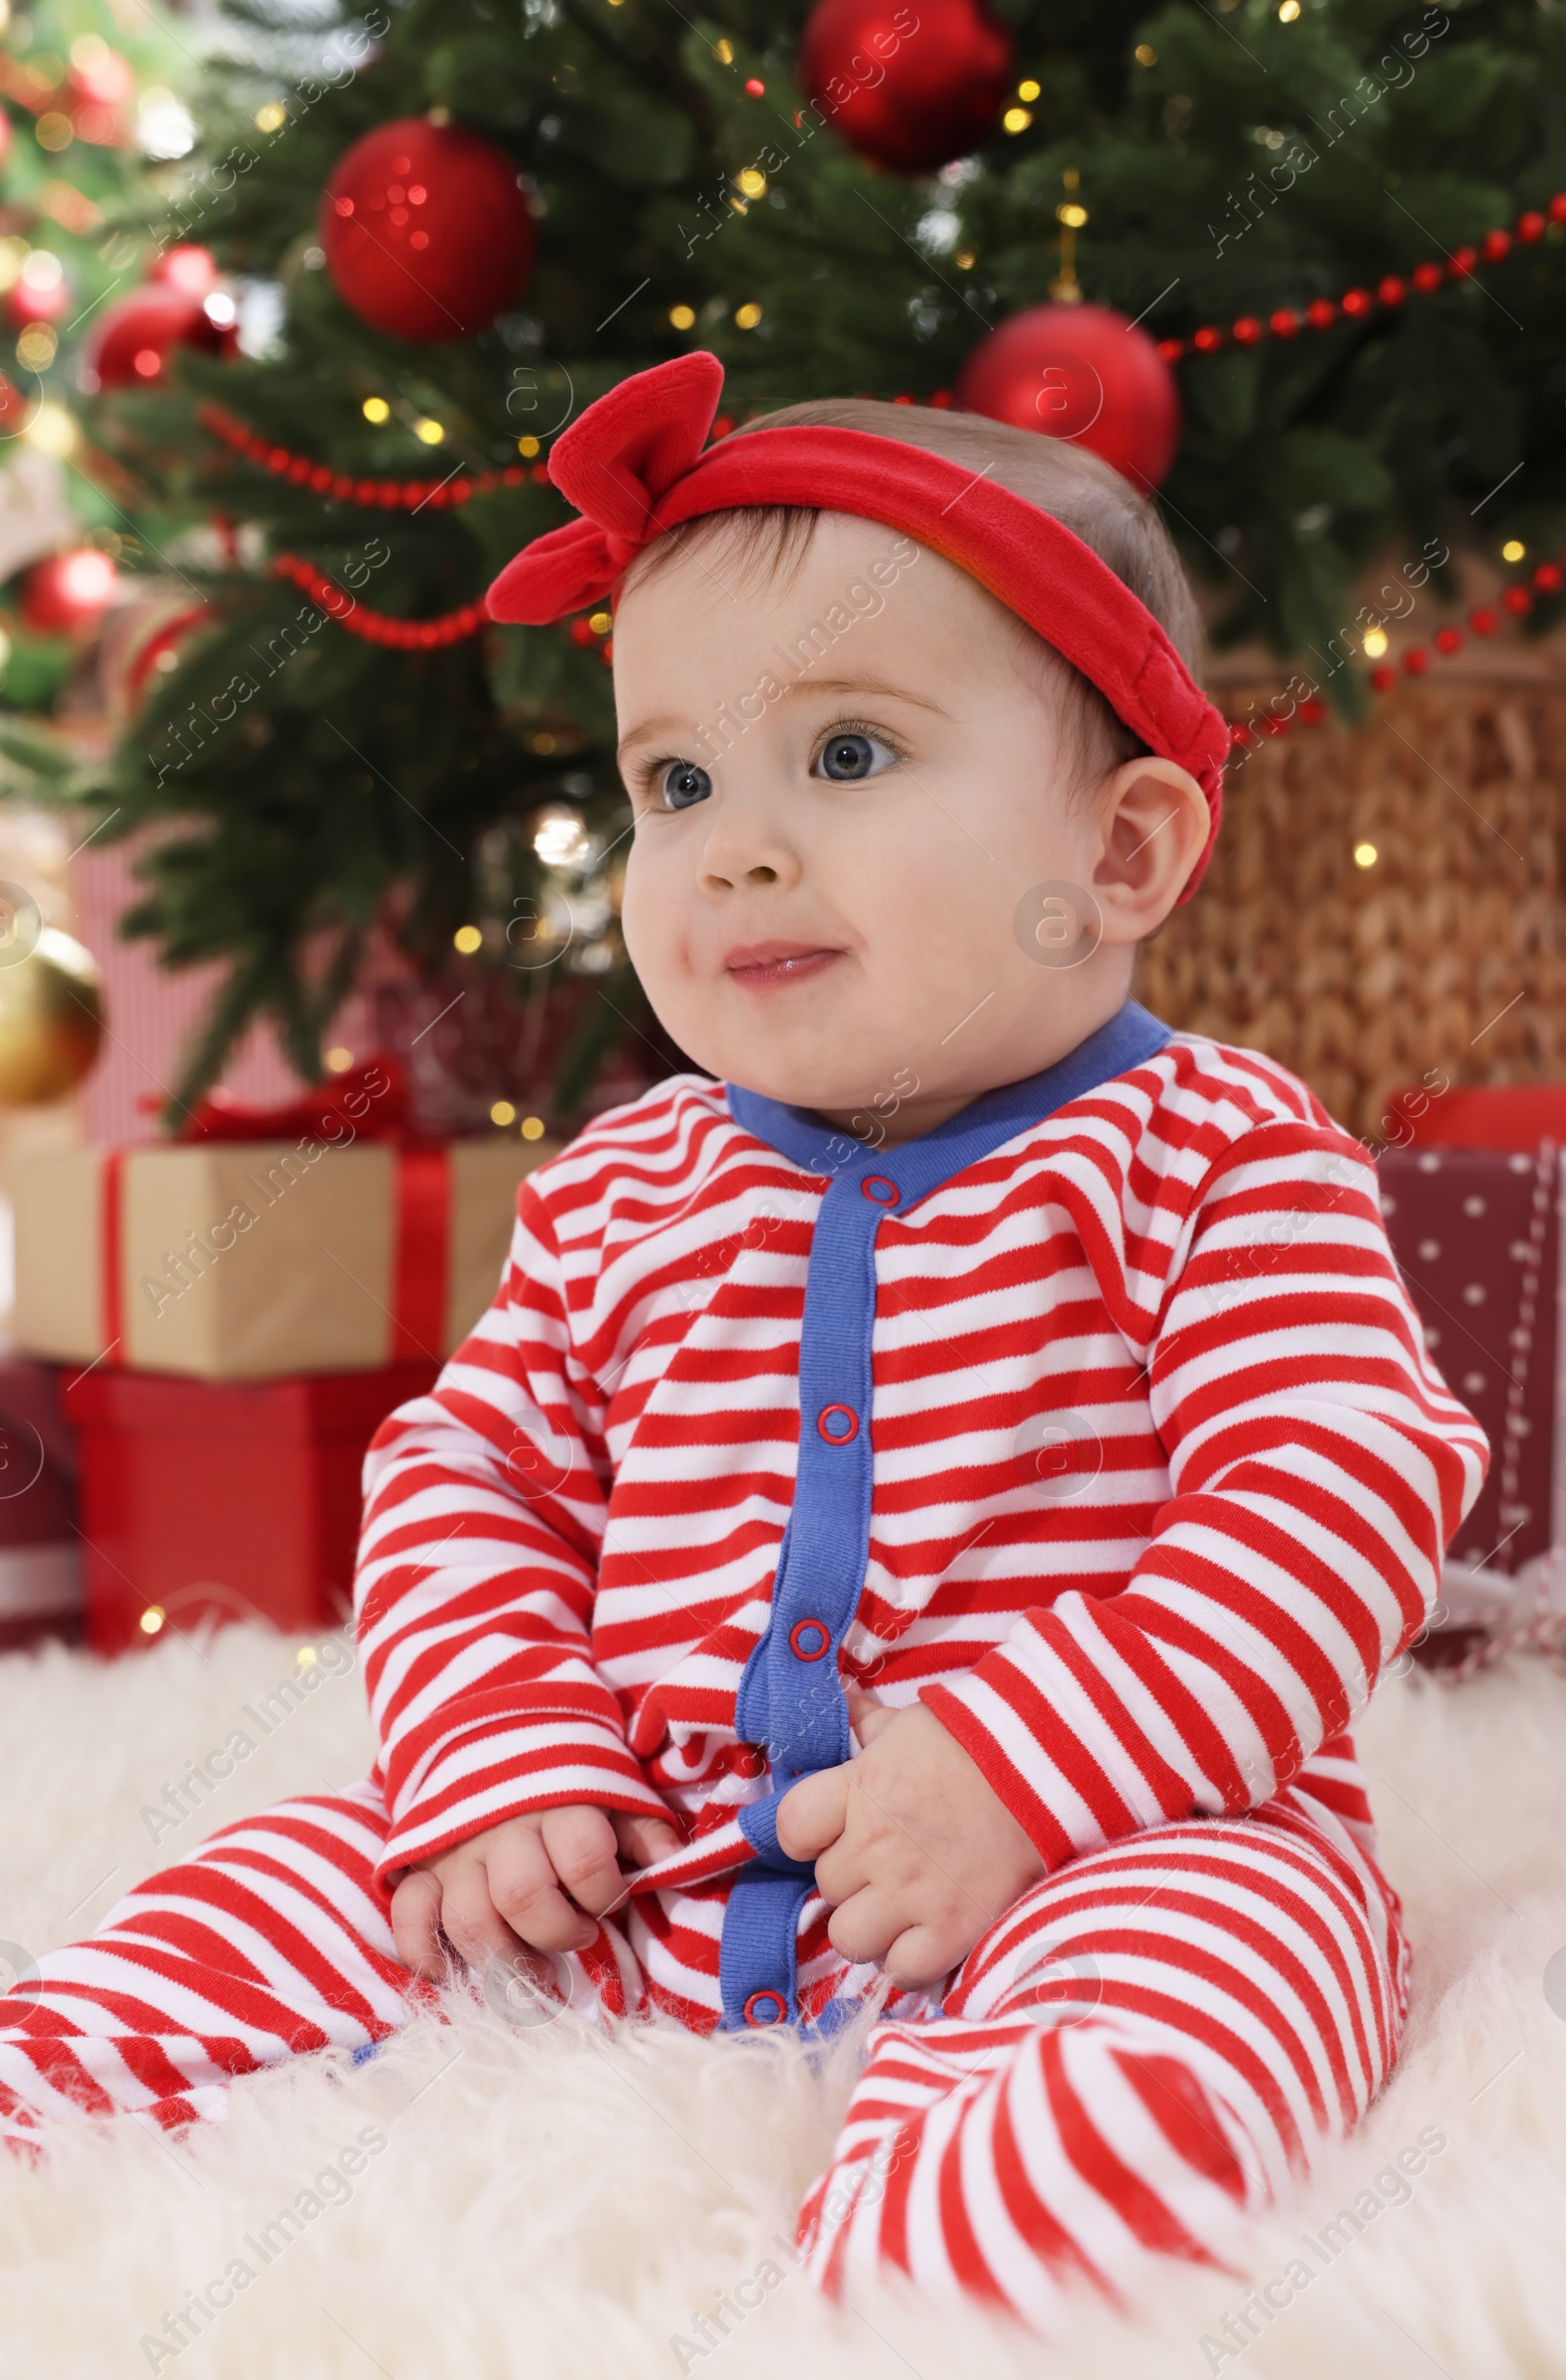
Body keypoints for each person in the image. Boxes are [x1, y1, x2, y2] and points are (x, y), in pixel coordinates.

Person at [0, 354, 1486, 2326]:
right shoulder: (629, 1179)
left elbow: (1328, 1488)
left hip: (1096, 1839)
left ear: (1118, 858)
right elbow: (470, 1475)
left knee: (1197, 1989)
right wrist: (498, 1740)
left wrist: (1023, 1770)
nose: (733, 848)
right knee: (282, 1883)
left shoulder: (1208, 1151)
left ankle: (924, 2290)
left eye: (848, 757)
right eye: (675, 782)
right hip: (640, 1843)